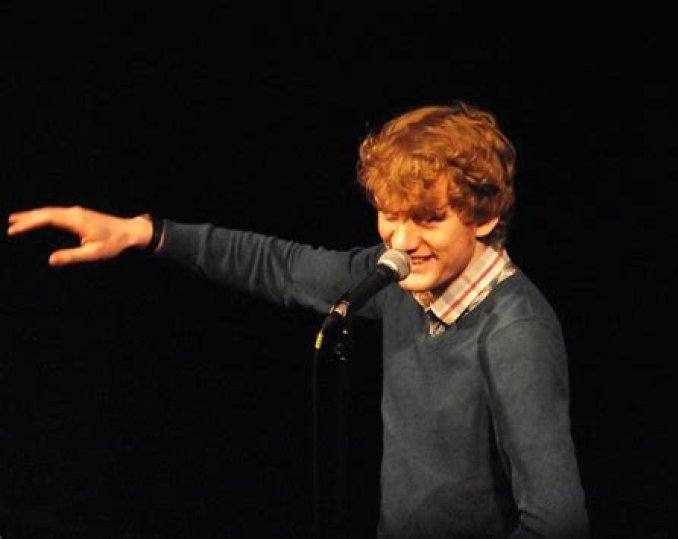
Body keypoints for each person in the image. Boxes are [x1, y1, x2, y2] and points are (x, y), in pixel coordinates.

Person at [7, 102, 589, 537]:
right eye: (390, 215)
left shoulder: (514, 331)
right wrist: (147, 233)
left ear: (484, 216)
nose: (402, 241)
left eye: (429, 219)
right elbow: (281, 266)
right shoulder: (401, 283)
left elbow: (557, 521)